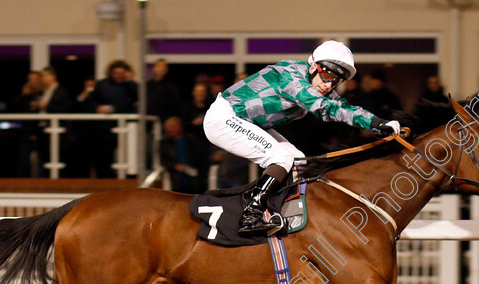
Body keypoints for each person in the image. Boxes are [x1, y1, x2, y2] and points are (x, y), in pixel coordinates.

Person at [203, 40, 402, 236]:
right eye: (327, 75)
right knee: (281, 158)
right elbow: (325, 108)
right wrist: (375, 124)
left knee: (298, 160)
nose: (329, 84)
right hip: (224, 117)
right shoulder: (292, 75)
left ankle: (276, 211)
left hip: (247, 122)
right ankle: (250, 214)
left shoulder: (318, 84)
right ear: (314, 67)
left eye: (337, 80)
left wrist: (379, 124)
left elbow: (343, 107)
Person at [160, 116, 208, 193]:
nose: (170, 129)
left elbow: (202, 159)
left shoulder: (193, 141)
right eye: (168, 127)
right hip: (176, 181)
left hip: (195, 181)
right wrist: (175, 166)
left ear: (180, 127)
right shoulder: (164, 143)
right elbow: (163, 161)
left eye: (173, 126)